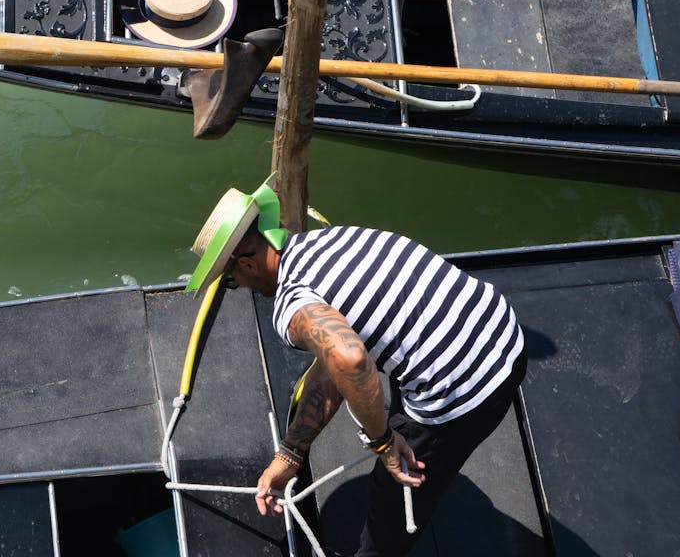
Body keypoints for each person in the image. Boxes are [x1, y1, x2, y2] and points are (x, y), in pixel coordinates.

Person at [186, 177, 527, 557]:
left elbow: (349, 359)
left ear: (247, 263)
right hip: (505, 334)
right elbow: (334, 362)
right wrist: (290, 454)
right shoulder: (331, 240)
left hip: (466, 389)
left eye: (231, 280)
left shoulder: (291, 304)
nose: (238, 285)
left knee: (392, 493)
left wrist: (382, 440)